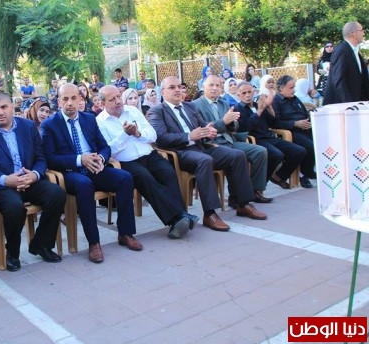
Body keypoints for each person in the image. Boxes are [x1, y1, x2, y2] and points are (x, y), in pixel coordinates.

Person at [148, 76, 268, 233]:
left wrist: (209, 130)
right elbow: (161, 138)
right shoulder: (157, 111)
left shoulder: (190, 106)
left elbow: (203, 125)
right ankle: (210, 214)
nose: (177, 90)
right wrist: (189, 136)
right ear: (163, 92)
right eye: (172, 87)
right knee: (205, 160)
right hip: (180, 152)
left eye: (179, 87)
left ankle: (243, 204)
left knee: (237, 155)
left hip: (202, 147)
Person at [41, 83, 142, 263]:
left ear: (80, 99)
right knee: (84, 185)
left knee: (125, 178)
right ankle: (94, 243)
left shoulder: (89, 118)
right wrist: (80, 159)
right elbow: (50, 159)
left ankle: (125, 233)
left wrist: (101, 159)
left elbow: (104, 147)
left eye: (74, 98)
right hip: (70, 172)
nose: (70, 103)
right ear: (59, 101)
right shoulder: (50, 125)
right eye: (65, 99)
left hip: (95, 168)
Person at [0, 93, 65, 271]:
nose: (0, 112)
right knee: (15, 207)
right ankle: (13, 253)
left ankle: (41, 244)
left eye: (4, 107)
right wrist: (5, 180)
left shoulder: (28, 126)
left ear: (12, 107)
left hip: (29, 180)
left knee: (57, 194)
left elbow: (40, 158)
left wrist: (35, 175)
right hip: (3, 185)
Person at [96, 86, 197, 239]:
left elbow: (152, 135)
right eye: (112, 99)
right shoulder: (99, 122)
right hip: (125, 161)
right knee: (145, 178)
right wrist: (125, 134)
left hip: (149, 155)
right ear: (103, 104)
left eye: (118, 97)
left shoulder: (132, 111)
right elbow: (109, 149)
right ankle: (180, 217)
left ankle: (179, 219)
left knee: (168, 172)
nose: (118, 101)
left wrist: (137, 133)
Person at [193, 75, 272, 204]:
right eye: (211, 85)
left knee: (260, 151)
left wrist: (231, 122)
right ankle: (237, 198)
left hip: (229, 140)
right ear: (203, 87)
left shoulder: (224, 103)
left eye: (218, 85)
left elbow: (234, 126)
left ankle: (255, 191)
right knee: (236, 155)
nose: (215, 88)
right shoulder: (195, 105)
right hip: (212, 144)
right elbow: (203, 128)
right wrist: (224, 122)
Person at [236, 81, 307, 190]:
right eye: (244, 93)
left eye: (249, 92)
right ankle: (257, 188)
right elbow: (244, 129)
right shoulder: (238, 109)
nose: (247, 95)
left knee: (299, 151)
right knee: (277, 155)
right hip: (255, 140)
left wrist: (269, 107)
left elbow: (273, 122)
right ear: (238, 95)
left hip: (269, 137)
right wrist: (258, 112)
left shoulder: (258, 105)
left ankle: (279, 176)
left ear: (254, 92)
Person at [271, 75, 316, 188]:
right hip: (290, 131)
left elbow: (304, 114)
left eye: (294, 87)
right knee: (309, 146)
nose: (293, 90)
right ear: (281, 88)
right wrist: (294, 124)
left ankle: (314, 170)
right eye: (291, 88)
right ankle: (305, 173)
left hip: (304, 128)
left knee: (322, 140)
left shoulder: (295, 99)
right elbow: (275, 123)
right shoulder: (276, 101)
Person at [323, 21, 369, 105]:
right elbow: (338, 80)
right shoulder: (341, 51)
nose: (363, 33)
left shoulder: (355, 52)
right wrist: (349, 105)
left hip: (356, 103)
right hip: (342, 106)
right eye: (362, 30)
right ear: (354, 33)